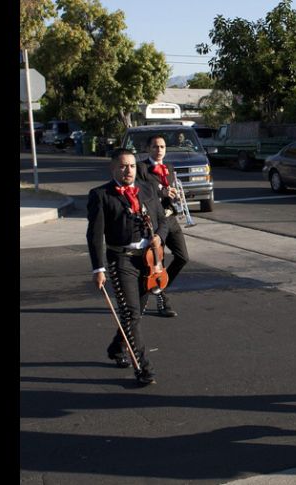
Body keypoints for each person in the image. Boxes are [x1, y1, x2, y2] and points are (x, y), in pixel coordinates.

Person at [86, 148, 168, 385]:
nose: (128, 171)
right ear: (113, 168)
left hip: (149, 260)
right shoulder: (100, 195)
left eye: (131, 166)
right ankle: (143, 367)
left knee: (136, 312)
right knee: (131, 313)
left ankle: (116, 347)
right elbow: (94, 235)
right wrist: (98, 269)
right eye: (122, 166)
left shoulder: (148, 188)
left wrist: (159, 237)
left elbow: (163, 220)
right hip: (121, 259)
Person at [136, 134, 189, 317]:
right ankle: (162, 301)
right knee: (158, 261)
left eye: (162, 147)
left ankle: (159, 287)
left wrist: (177, 198)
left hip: (170, 217)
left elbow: (170, 192)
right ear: (148, 149)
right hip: (154, 221)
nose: (159, 150)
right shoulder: (142, 168)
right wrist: (163, 192)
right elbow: (141, 191)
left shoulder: (169, 168)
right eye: (155, 146)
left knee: (183, 257)